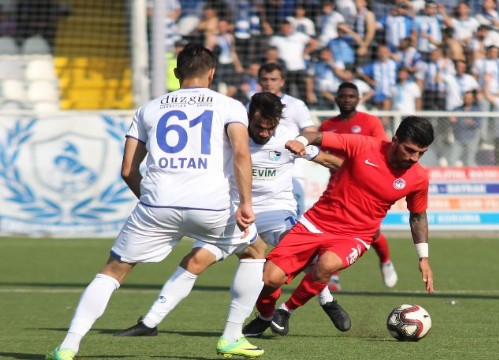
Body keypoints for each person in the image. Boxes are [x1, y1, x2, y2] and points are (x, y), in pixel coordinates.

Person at [45, 44, 262, 359]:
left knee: (113, 270)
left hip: (156, 205)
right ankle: (230, 336)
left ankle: (68, 346)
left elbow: (127, 170)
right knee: (255, 252)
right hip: (211, 207)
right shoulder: (229, 106)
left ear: (176, 74)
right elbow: (241, 153)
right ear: (212, 73)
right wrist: (245, 203)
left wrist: (152, 204)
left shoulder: (149, 108)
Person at [113, 92, 346, 339]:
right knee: (195, 260)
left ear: (278, 122)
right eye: (259, 127)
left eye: (271, 127)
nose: (264, 133)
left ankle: (327, 301)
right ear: (248, 117)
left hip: (278, 212)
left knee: (309, 257)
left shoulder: (289, 139)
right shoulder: (228, 137)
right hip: (233, 212)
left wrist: (365, 172)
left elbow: (330, 161)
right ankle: (150, 321)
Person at [243, 115, 435, 338]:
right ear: (394, 140)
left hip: (356, 235)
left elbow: (418, 215)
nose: (414, 158)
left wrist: (423, 258)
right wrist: (302, 142)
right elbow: (316, 136)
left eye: (421, 153)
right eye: (410, 150)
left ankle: (286, 311)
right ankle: (266, 316)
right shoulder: (364, 145)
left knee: (326, 265)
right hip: (315, 222)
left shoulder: (419, 177)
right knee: (270, 279)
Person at [318, 82, 398, 291]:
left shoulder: (370, 122)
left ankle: (385, 261)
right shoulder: (327, 125)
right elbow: (322, 153)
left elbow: (383, 151)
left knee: (371, 233)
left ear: (358, 99)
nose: (347, 100)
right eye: (343, 96)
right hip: (337, 186)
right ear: (335, 99)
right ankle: (333, 276)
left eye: (351, 96)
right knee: (332, 229)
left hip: (365, 186)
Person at [257, 62, 318, 216]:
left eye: (273, 79)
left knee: (293, 219)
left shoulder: (295, 105)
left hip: (291, 170)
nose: (269, 83)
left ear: (282, 82)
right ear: (259, 81)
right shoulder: (251, 105)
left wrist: (299, 145)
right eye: (265, 79)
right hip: (261, 170)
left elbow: (310, 131)